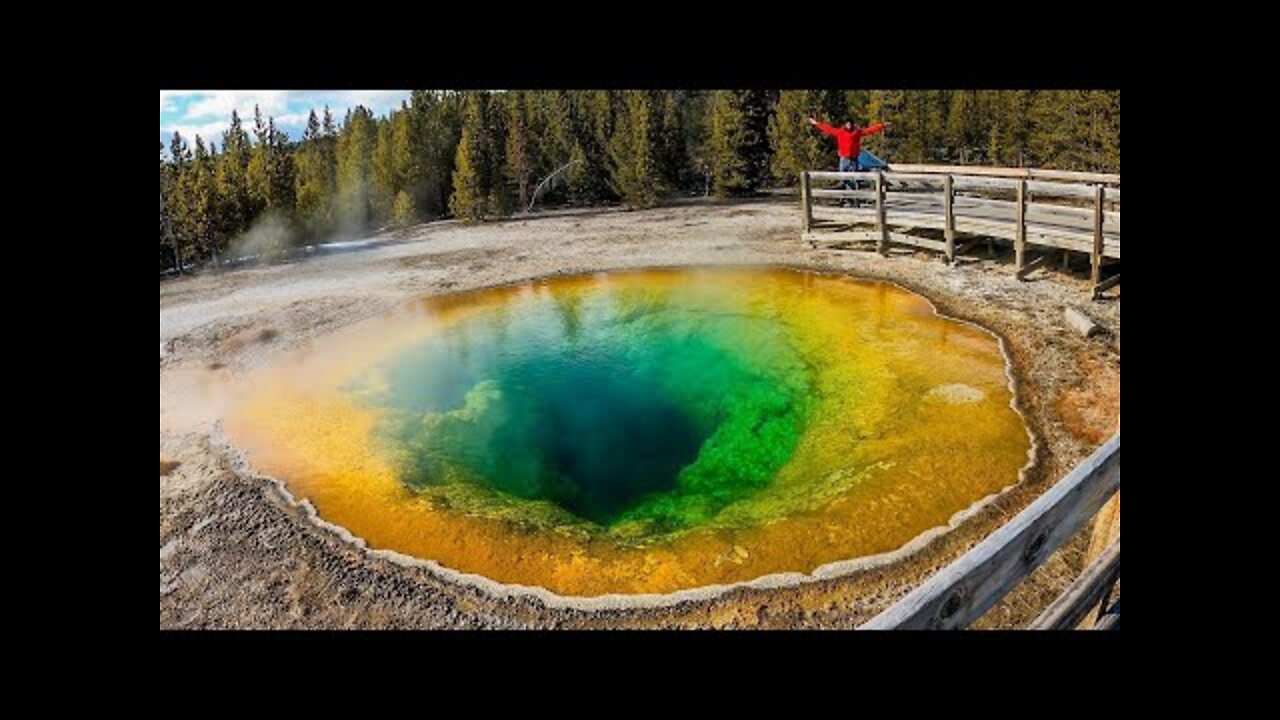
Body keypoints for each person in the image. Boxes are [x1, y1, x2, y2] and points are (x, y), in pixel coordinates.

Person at [809, 117, 887, 207]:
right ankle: (846, 198)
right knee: (843, 179)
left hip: (853, 159)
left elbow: (869, 130)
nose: (849, 125)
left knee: (854, 179)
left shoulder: (857, 132)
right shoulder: (840, 132)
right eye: (847, 124)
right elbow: (828, 129)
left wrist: (881, 126)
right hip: (844, 159)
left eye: (850, 124)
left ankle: (854, 200)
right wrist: (816, 124)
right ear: (845, 125)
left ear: (852, 124)